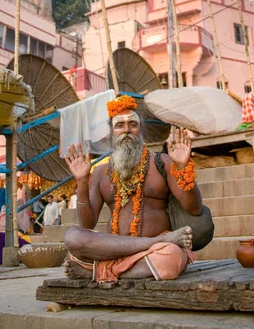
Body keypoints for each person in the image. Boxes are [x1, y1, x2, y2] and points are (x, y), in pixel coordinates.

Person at [63, 94, 201, 284]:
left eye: (133, 125)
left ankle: (98, 273)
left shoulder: (162, 163)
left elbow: (194, 209)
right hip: (117, 251)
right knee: (73, 237)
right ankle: (151, 247)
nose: (127, 130)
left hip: (157, 252)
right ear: (112, 133)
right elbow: (87, 225)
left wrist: (183, 168)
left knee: (172, 256)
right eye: (119, 125)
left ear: (140, 130)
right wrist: (81, 182)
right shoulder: (101, 172)